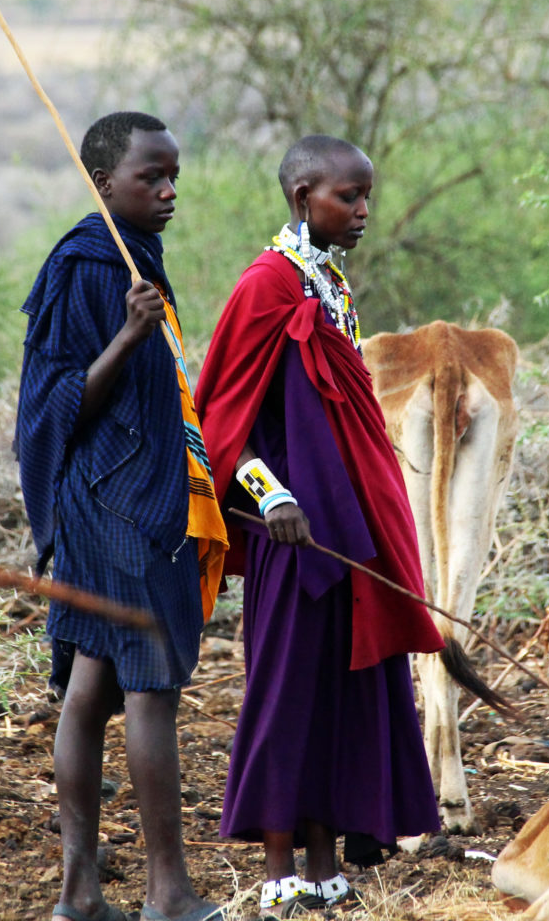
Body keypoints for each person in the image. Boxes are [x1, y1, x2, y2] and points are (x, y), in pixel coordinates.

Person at [195, 135, 444, 917]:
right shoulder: (264, 287)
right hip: (290, 537)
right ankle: (276, 862)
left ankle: (326, 857)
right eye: (348, 197)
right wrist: (271, 498)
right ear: (304, 196)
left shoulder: (326, 281)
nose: (364, 210)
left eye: (366, 195)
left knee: (344, 686)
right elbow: (225, 420)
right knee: (286, 690)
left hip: (346, 527)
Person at [15, 111, 227, 921]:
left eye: (174, 175)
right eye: (151, 177)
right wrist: (130, 334)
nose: (169, 190)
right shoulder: (85, 263)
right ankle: (166, 894)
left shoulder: (135, 250)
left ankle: (80, 894)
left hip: (132, 496)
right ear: (104, 184)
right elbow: (55, 401)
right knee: (150, 692)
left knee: (94, 687)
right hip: (120, 505)